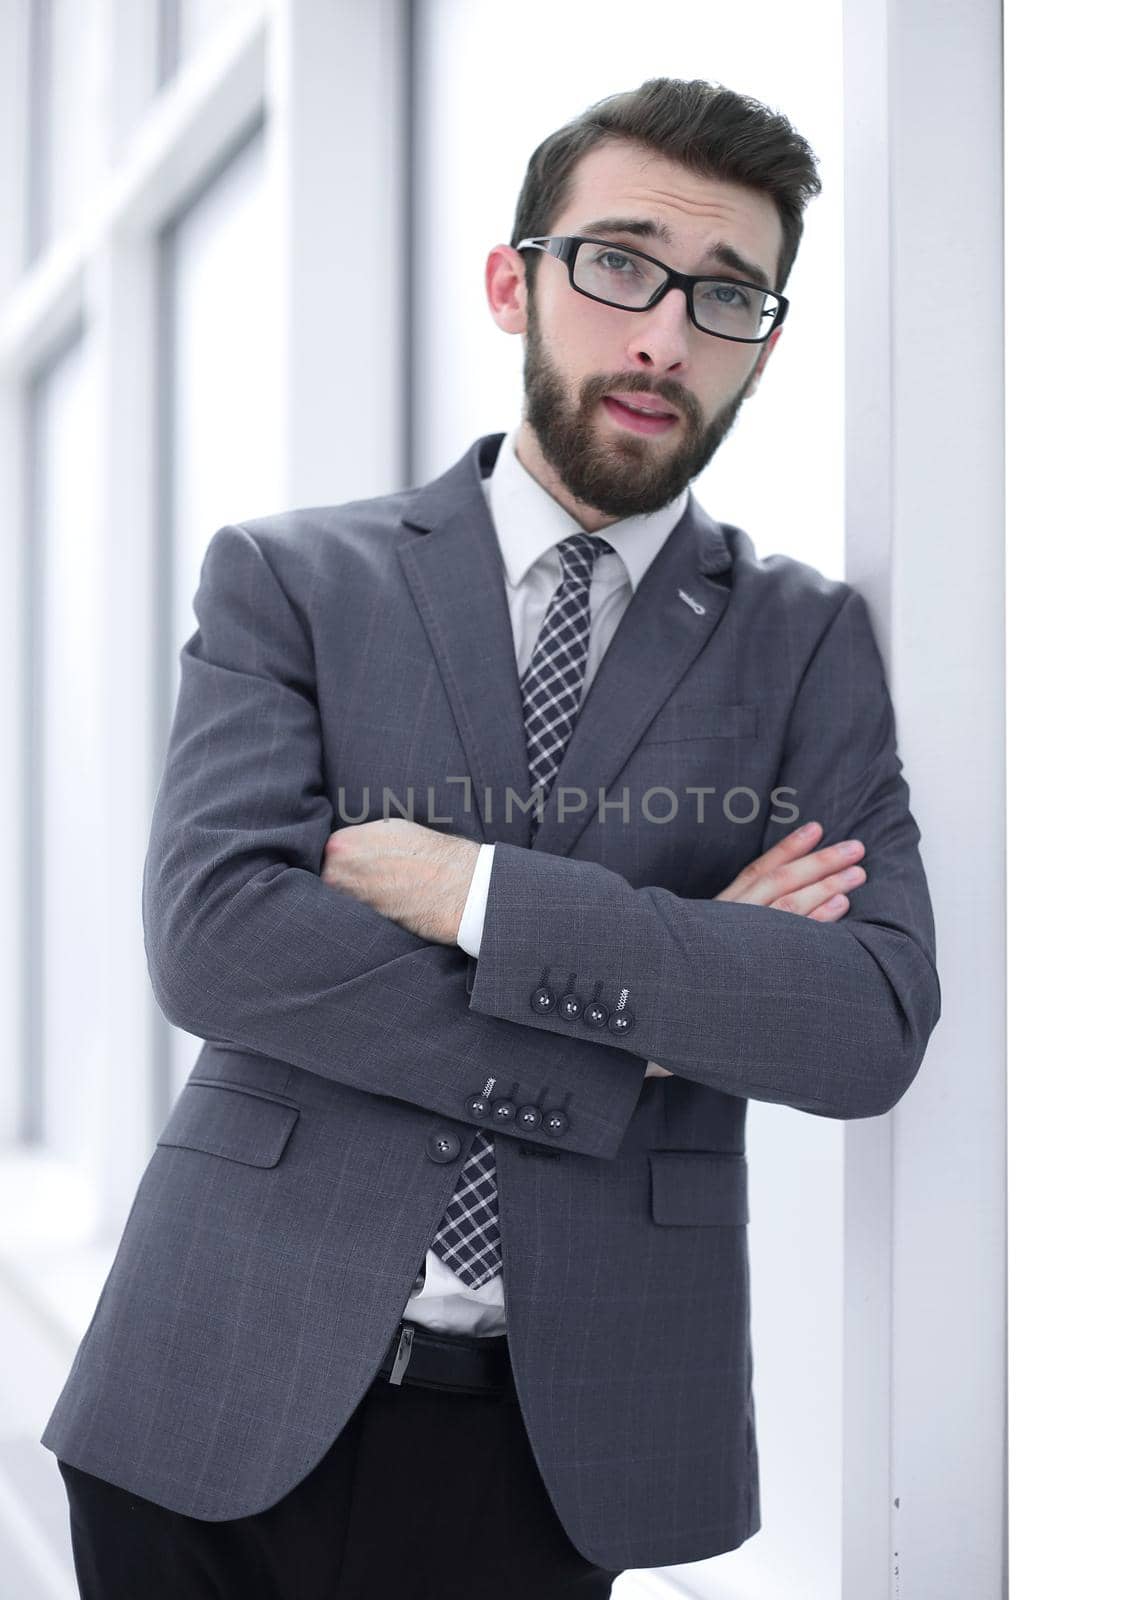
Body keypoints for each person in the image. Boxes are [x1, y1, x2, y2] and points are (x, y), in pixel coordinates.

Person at [41, 76, 941, 1599]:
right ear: (510, 281)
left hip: (558, 1445)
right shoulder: (293, 579)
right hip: (207, 1375)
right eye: (619, 263)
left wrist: (475, 893)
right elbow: (218, 940)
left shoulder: (803, 643)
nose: (662, 334)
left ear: (764, 345)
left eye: (725, 295)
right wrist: (656, 1021)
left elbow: (862, 1026)